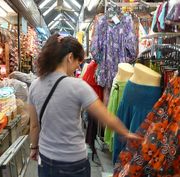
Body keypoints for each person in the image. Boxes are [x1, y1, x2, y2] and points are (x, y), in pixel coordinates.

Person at [28, 33, 141, 177]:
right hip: (73, 161)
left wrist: (34, 147)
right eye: (77, 62)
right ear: (70, 57)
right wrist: (126, 132)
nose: (77, 67)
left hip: (45, 160)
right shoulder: (78, 86)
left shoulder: (35, 86)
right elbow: (105, 117)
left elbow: (34, 125)